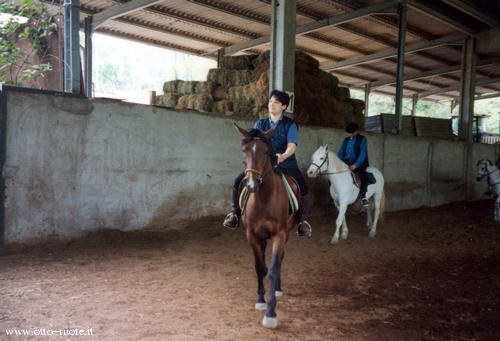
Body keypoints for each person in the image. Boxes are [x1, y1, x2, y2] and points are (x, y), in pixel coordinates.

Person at [223, 89, 312, 237]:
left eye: (276, 102)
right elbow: (254, 144)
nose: (272, 104)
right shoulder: (260, 123)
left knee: (303, 186)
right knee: (238, 180)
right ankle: (234, 214)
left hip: (286, 162)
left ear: (283, 106)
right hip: (262, 164)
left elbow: (292, 145)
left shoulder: (290, 125)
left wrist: (284, 155)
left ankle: (302, 221)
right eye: (270, 101)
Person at [338, 122, 370, 206]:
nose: (350, 135)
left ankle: (363, 196)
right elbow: (341, 152)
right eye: (349, 133)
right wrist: (338, 162)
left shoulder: (362, 139)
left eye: (352, 133)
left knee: (363, 176)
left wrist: (355, 165)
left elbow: (363, 154)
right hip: (345, 161)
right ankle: (335, 195)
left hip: (358, 162)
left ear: (356, 131)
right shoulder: (345, 140)